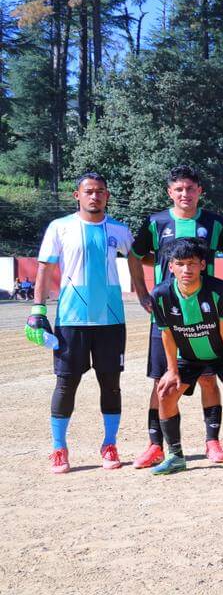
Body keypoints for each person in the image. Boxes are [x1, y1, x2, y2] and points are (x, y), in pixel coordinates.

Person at [26, 172, 144, 474]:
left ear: (107, 196)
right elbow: (44, 269)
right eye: (89, 191)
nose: (95, 196)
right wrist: (38, 308)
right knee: (66, 384)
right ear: (77, 195)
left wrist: (142, 293)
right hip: (71, 319)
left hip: (111, 320)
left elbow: (134, 258)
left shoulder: (119, 229)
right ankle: (59, 447)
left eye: (100, 191)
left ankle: (109, 443)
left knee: (111, 384)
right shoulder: (60, 227)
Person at [130, 165, 223, 469]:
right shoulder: (156, 222)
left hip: (206, 316)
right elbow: (136, 255)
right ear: (170, 193)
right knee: (161, 381)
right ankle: (155, 445)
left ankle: (212, 441)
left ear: (200, 191)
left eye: (190, 188)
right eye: (179, 189)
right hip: (167, 316)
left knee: (207, 378)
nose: (185, 194)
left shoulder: (214, 223)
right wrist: (143, 292)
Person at [150, 239, 223, 475]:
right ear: (171, 266)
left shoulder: (219, 290)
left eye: (192, 263)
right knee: (165, 392)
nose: (186, 269)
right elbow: (167, 334)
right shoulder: (161, 294)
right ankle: (176, 456)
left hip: (222, 354)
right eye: (180, 264)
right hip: (189, 356)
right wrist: (172, 370)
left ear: (203, 265)